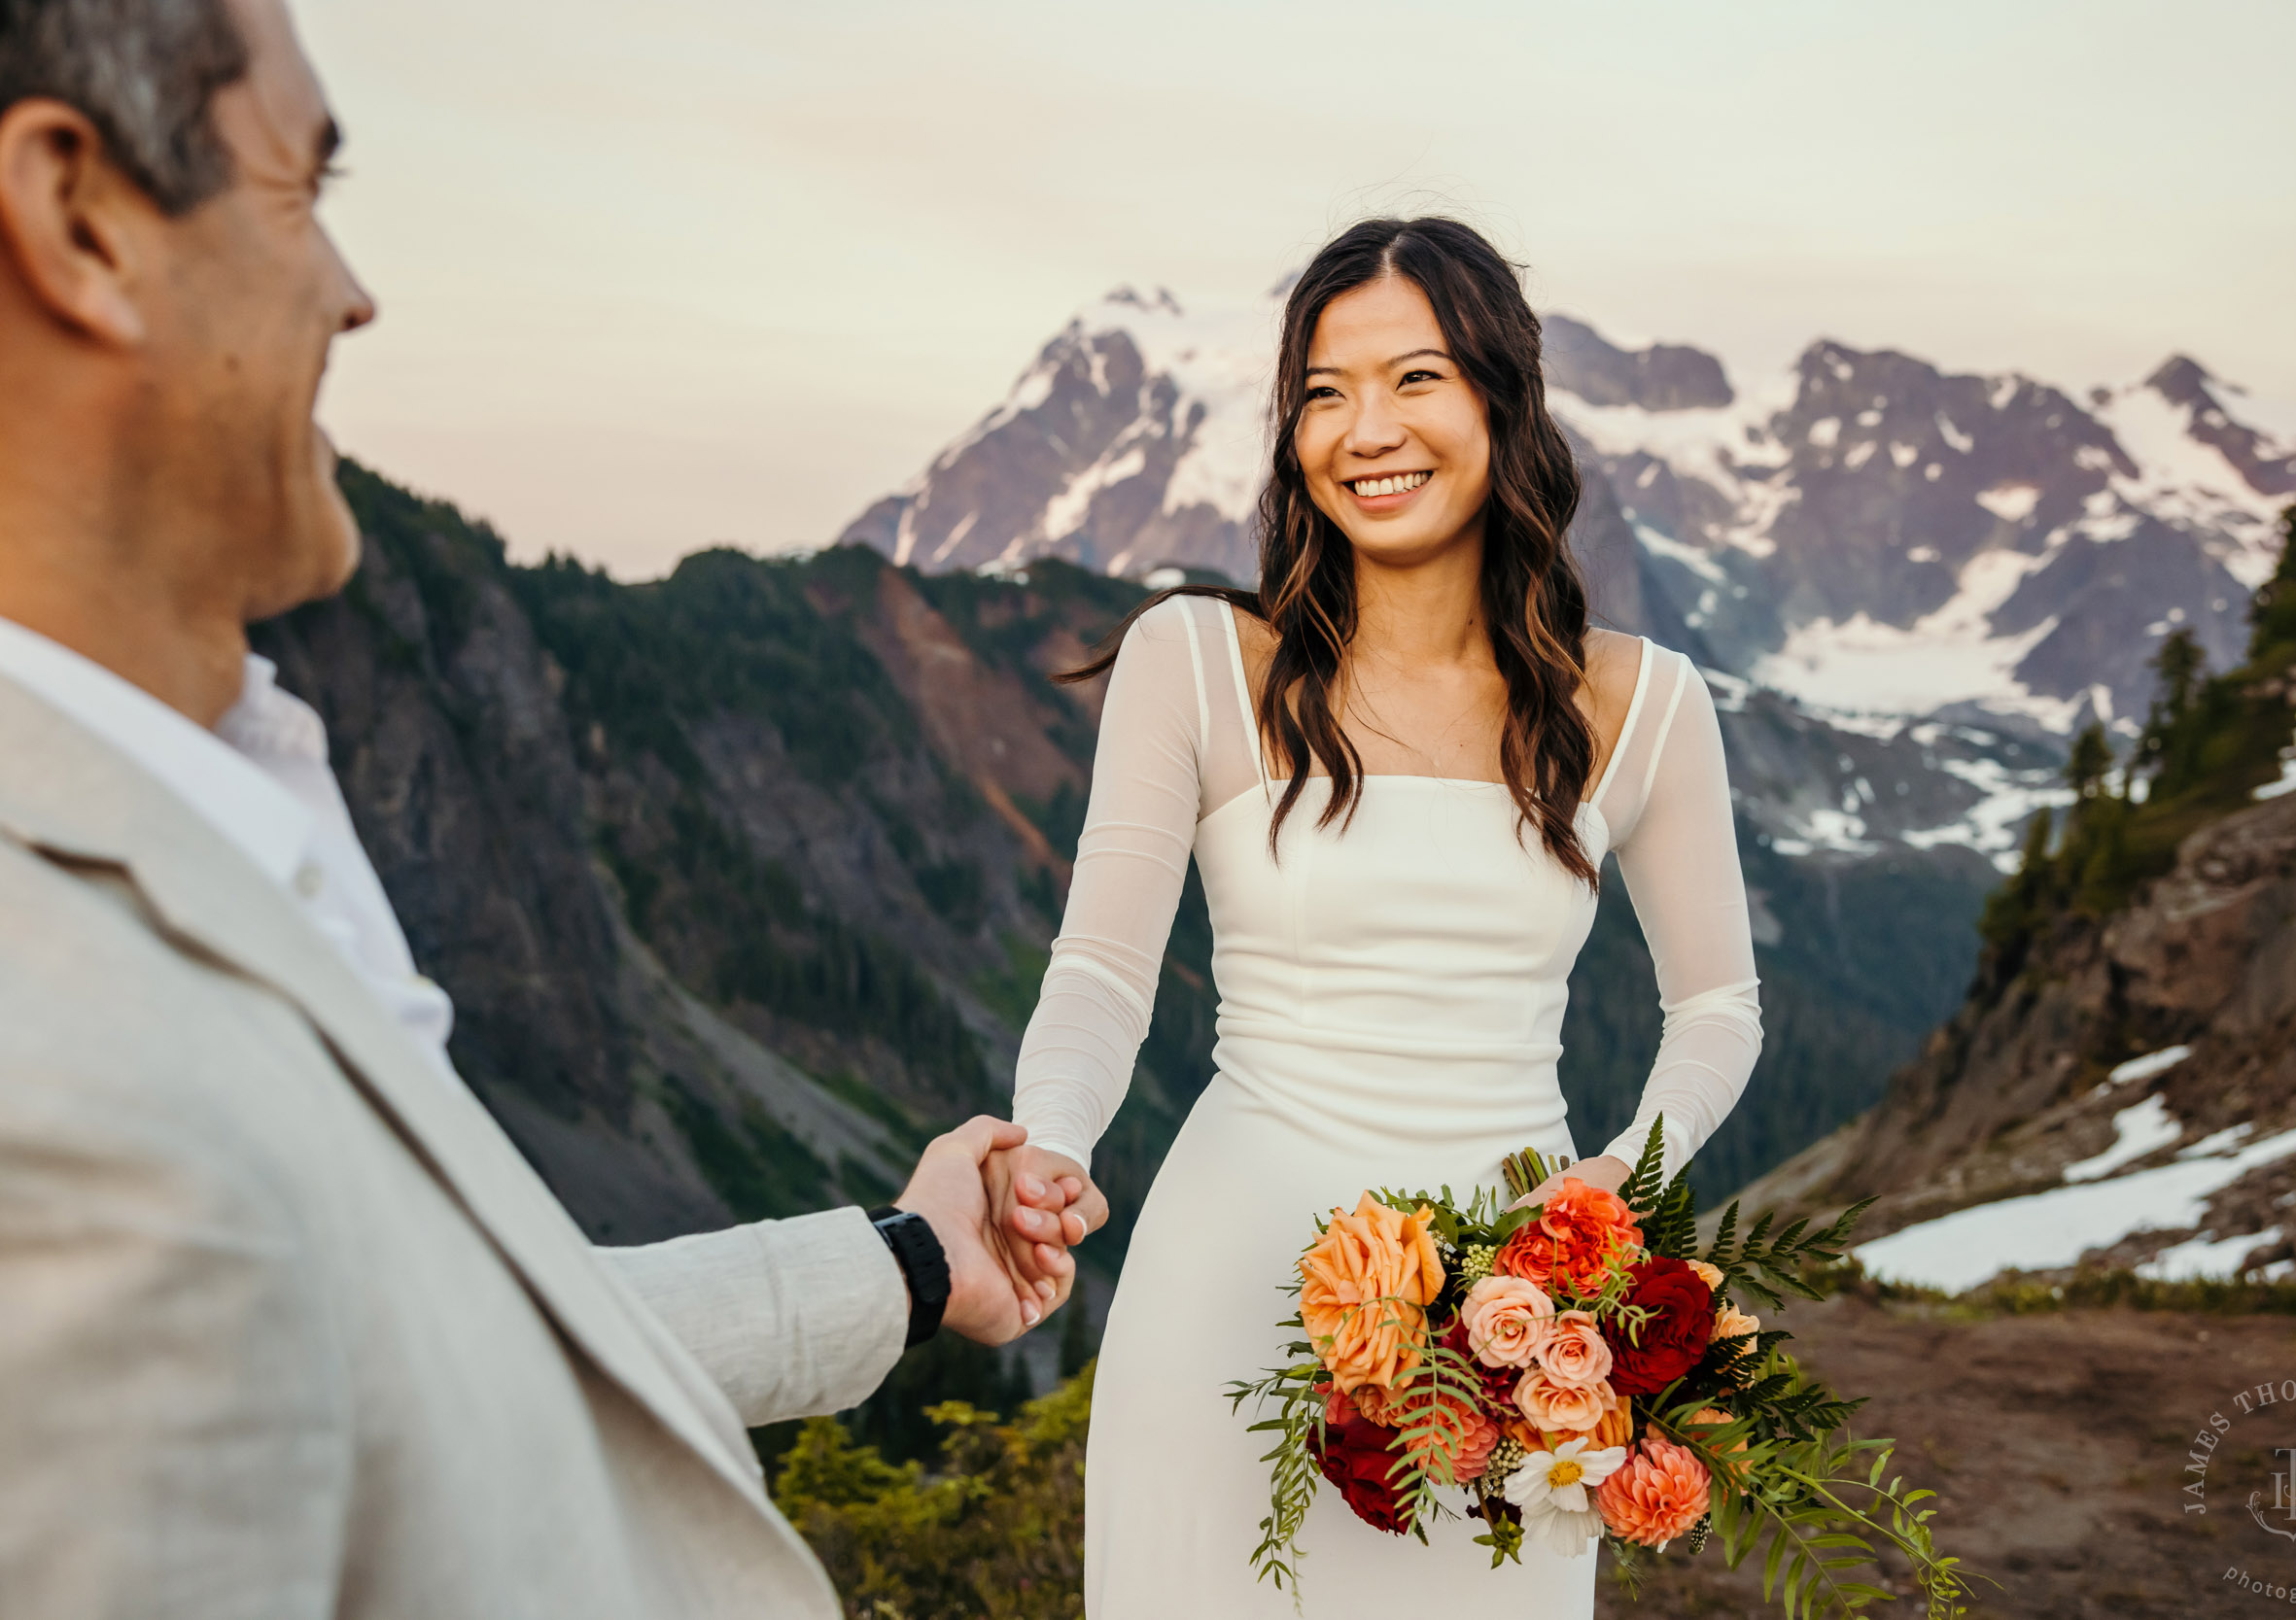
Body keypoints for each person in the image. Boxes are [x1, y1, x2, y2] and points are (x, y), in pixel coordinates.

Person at [0, 2, 1083, 1615]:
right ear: (80, 219)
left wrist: (914, 1263)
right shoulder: (54, 1065)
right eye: (301, 193)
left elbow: (452, 1336)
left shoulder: (210, 796)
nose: (353, 294)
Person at [995, 217, 1764, 1615]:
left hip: (1509, 1333)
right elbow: (1102, 970)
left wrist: (1615, 1184)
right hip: (1226, 1296)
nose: (1366, 429)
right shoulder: (1199, 662)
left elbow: (1718, 1009)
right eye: (1324, 392)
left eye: (1414, 378)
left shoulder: (1645, 705)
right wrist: (1051, 1138)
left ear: (1499, 400)